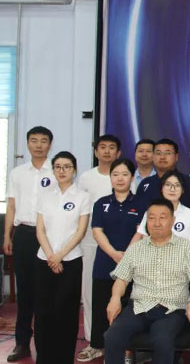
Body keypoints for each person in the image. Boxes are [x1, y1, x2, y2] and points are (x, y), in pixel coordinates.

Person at [103, 199, 190, 364]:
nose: (157, 223)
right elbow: (121, 279)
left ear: (172, 220)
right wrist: (115, 298)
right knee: (112, 336)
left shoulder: (186, 247)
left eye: (162, 217)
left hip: (172, 310)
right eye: (151, 218)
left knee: (162, 340)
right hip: (139, 308)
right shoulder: (136, 248)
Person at [78, 159, 145, 363]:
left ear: (132, 177)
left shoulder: (141, 204)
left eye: (125, 174)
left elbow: (141, 232)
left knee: (128, 309)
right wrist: (115, 254)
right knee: (101, 305)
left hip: (133, 263)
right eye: (115, 174)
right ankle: (97, 345)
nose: (120, 178)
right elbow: (97, 231)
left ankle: (127, 350)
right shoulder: (101, 203)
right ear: (110, 177)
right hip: (105, 262)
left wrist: (126, 256)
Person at [34, 151, 91, 364]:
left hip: (71, 261)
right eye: (58, 167)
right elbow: (40, 230)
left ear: (74, 170)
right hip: (44, 260)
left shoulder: (82, 196)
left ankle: (64, 358)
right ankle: (44, 358)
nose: (62, 171)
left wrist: (60, 256)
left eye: (67, 167)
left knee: (65, 312)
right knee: (43, 313)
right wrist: (51, 256)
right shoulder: (45, 195)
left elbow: (80, 231)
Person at [3, 126, 54, 362]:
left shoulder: (56, 170)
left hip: (49, 236)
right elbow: (12, 206)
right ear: (27, 143)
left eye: (43, 141)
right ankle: (22, 343)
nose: (38, 145)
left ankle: (45, 343)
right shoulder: (17, 173)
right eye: (34, 140)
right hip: (23, 234)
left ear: (50, 145)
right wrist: (7, 236)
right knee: (24, 293)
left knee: (46, 291)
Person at [77, 134, 122, 360]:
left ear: (118, 152)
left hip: (119, 247)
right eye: (102, 147)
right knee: (90, 294)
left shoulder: (124, 175)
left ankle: (118, 343)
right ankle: (92, 341)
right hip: (90, 241)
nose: (106, 151)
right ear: (96, 152)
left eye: (111, 147)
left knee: (119, 295)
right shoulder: (86, 178)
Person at [135, 138, 190, 210]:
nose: (162, 157)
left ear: (176, 157)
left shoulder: (189, 182)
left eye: (167, 153)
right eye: (158, 153)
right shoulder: (145, 183)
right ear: (153, 156)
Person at [131, 171, 190, 243]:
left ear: (182, 190)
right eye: (168, 185)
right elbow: (141, 238)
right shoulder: (150, 212)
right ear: (161, 189)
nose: (172, 189)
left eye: (177, 185)